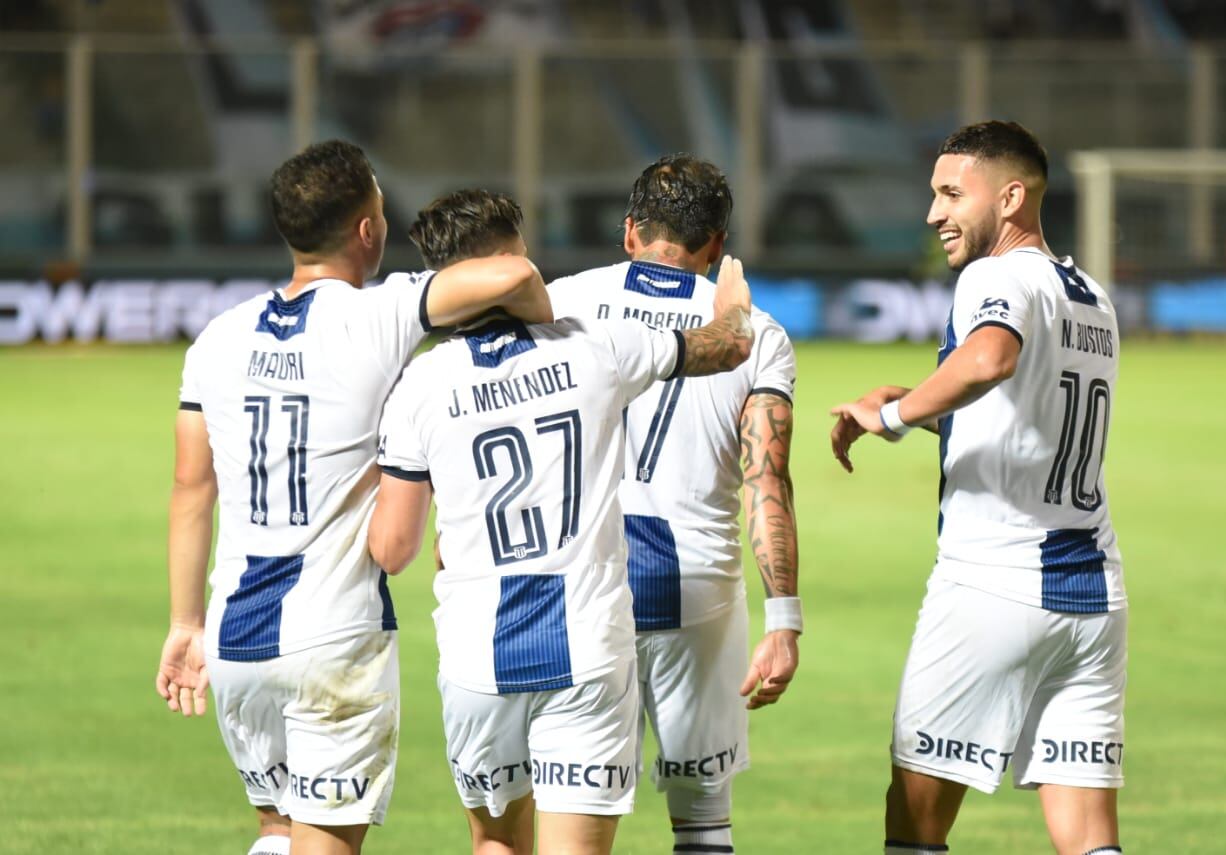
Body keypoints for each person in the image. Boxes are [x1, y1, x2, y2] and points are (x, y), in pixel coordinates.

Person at [154, 140, 552, 855]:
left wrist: (185, 623)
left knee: (277, 832)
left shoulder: (215, 339)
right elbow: (511, 271)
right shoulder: (382, 313)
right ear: (368, 231)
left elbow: (191, 488)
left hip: (235, 633)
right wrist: (547, 324)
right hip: (332, 633)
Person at [367, 186, 758, 855]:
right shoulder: (593, 346)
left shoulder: (420, 386)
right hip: (588, 648)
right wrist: (735, 312)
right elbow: (724, 348)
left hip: (476, 656)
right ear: (515, 256)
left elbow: (393, 546)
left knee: (496, 845)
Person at [829, 120, 1126, 855]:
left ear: (1013, 195)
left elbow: (990, 358)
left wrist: (894, 416)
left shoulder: (993, 276)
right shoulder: (1090, 294)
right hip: (1093, 596)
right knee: (1090, 838)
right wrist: (926, 409)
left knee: (915, 822)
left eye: (952, 193)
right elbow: (1025, 423)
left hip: (993, 583)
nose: (934, 212)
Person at [546, 154, 801, 855]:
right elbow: (766, 479)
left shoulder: (561, 301)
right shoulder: (758, 332)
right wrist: (784, 619)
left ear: (629, 233)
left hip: (580, 588)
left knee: (573, 820)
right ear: (717, 245)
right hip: (698, 594)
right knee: (703, 823)